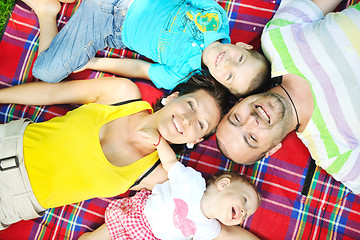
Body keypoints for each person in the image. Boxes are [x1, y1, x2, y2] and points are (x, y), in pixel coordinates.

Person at [0, 69, 232, 229]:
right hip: (9, 144)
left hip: (14, 202)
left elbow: (202, 213)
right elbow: (53, 93)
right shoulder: (122, 93)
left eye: (201, 124)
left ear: (196, 140)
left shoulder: (159, 174)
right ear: (172, 97)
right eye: (191, 104)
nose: (188, 119)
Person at [216, 0, 360, 194]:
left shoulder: (277, 38)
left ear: (239, 102)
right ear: (272, 149)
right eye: (251, 138)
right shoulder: (334, 154)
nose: (252, 120)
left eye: (237, 118)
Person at [24, 0, 270, 97]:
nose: (226, 63)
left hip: (106, 26)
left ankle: (46, 12)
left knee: (46, 72)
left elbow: (141, 68)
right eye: (239, 59)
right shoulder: (216, 17)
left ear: (220, 83)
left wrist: (92, 63)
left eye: (229, 76)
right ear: (243, 45)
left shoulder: (184, 74)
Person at [78, 127, 260, 240]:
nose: (244, 212)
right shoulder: (193, 183)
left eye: (246, 214)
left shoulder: (210, 230)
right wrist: (159, 142)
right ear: (224, 184)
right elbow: (171, 163)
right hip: (139, 217)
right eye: (244, 200)